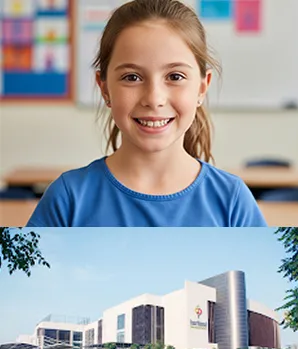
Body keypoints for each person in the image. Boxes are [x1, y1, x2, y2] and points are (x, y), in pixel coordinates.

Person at [27, 0, 264, 227]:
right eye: (132, 77)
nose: (154, 99)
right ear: (105, 88)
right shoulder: (68, 198)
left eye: (175, 77)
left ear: (202, 87)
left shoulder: (232, 199)